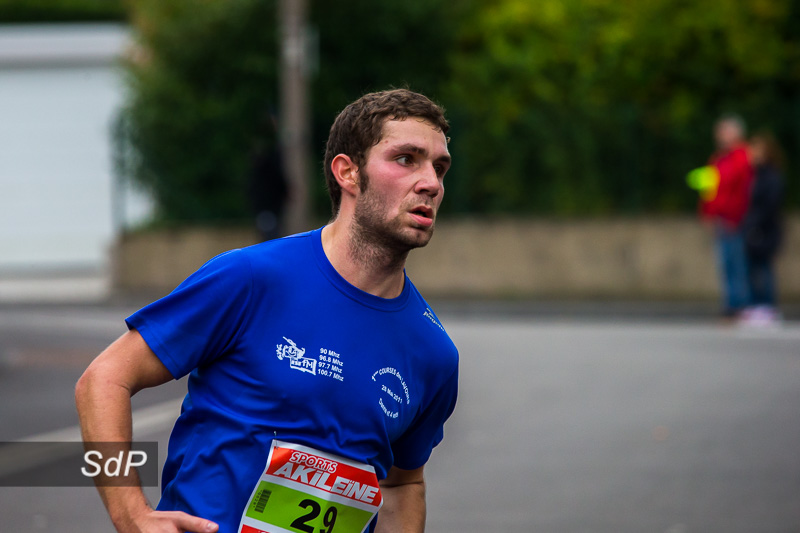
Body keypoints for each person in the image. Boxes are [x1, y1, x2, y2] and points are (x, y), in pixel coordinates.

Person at [75, 88, 458, 533]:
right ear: (348, 173)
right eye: (406, 159)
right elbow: (102, 381)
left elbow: (402, 484)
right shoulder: (252, 278)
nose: (431, 183)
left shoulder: (434, 352)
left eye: (439, 167)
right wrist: (131, 515)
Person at [697, 114, 754, 318]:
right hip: (721, 219)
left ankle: (740, 305)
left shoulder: (741, 156)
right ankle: (731, 304)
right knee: (726, 263)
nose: (720, 135)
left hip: (734, 219)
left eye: (724, 131)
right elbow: (710, 189)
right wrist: (707, 213)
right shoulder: (719, 159)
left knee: (737, 262)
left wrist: (736, 216)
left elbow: (743, 191)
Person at [740, 131, 785, 326]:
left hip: (765, 230)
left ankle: (768, 307)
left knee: (764, 269)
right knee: (752, 269)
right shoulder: (756, 175)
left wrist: (755, 224)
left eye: (757, 150)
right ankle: (756, 306)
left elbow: (770, 206)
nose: (753, 154)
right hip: (754, 228)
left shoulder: (772, 176)